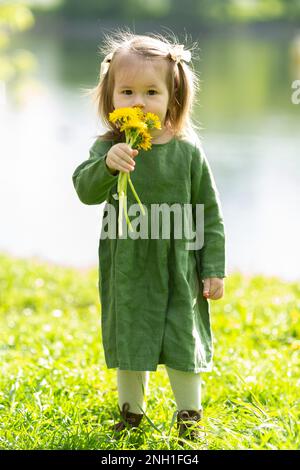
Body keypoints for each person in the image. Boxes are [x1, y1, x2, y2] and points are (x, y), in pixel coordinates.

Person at [72, 30, 226, 445]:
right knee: (131, 337)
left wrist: (213, 269)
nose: (138, 102)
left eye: (151, 92)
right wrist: (107, 165)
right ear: (111, 99)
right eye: (127, 91)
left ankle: (189, 416)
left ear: (172, 98)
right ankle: (130, 415)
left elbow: (210, 214)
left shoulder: (187, 152)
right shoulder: (110, 146)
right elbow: (84, 191)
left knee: (182, 339)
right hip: (129, 265)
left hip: (179, 266)